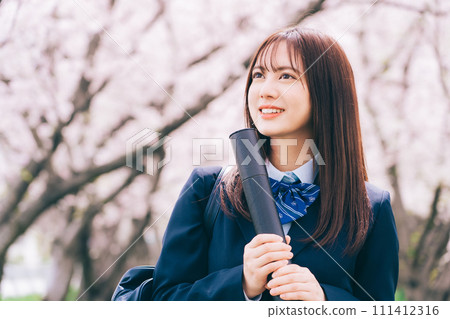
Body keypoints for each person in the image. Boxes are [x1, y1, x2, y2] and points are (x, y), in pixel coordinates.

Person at [151, 27, 399, 301]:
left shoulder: (370, 207)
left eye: (286, 76)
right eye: (258, 75)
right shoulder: (206, 189)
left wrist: (325, 302)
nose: (265, 91)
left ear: (326, 92)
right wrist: (242, 284)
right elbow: (165, 299)